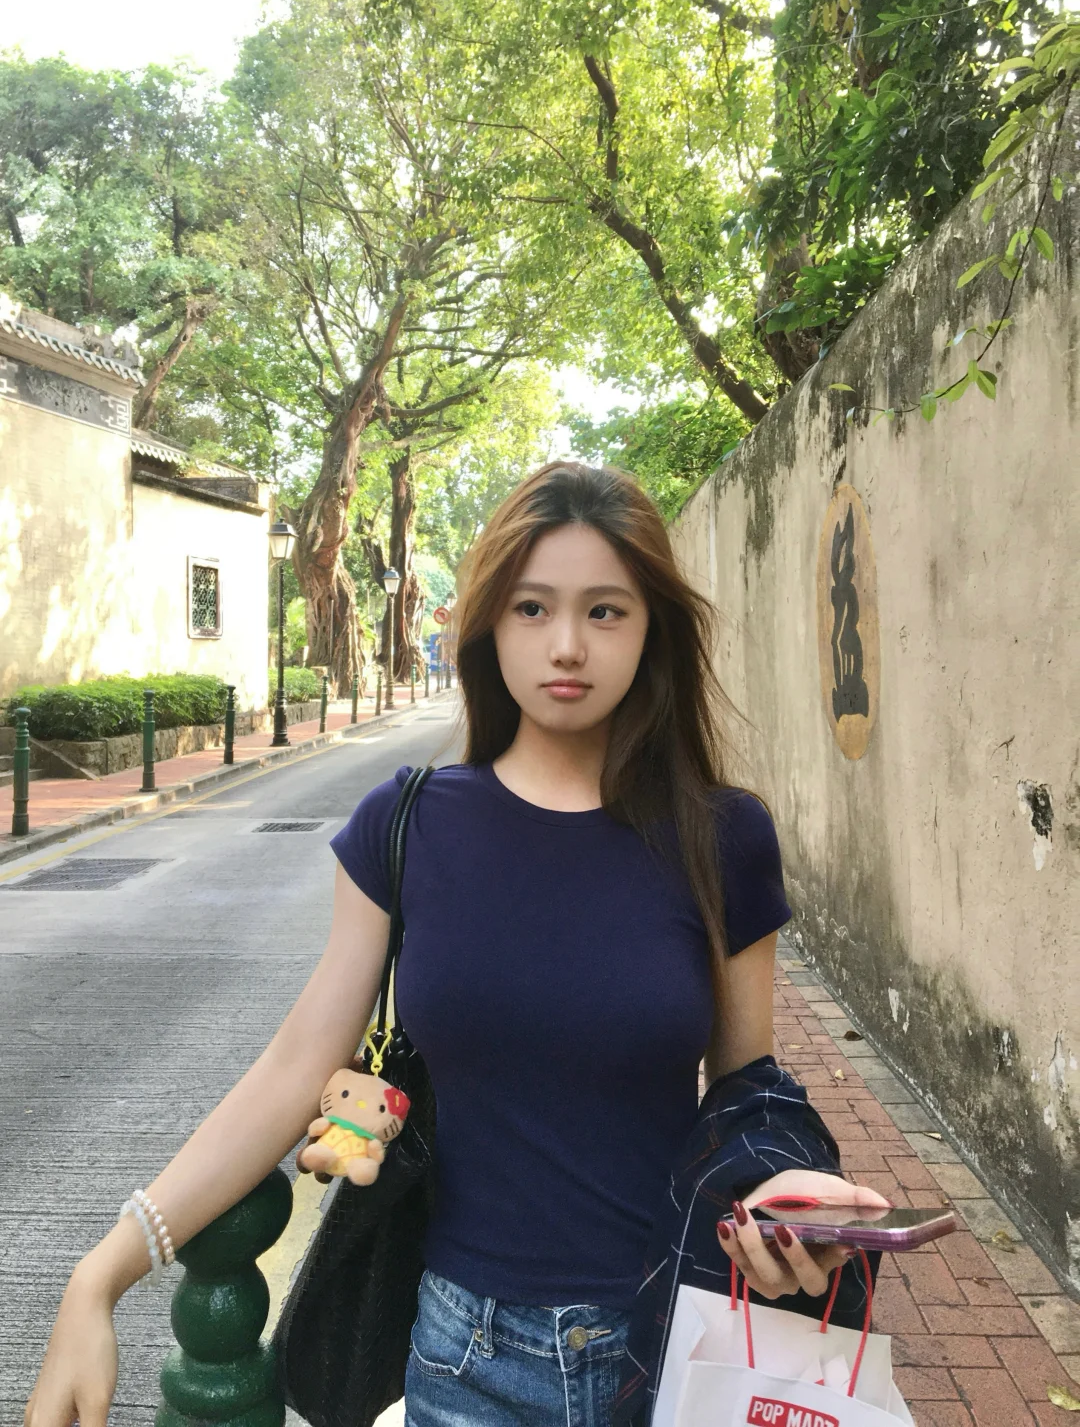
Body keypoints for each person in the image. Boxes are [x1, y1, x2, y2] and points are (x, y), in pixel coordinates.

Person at [25, 461, 887, 1427]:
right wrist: (104, 1272)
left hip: (669, 1347)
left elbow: (745, 1091)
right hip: (462, 1359)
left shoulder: (721, 837)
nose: (567, 644)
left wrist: (779, 1189)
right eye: (532, 607)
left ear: (652, 630)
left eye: (605, 611)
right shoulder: (407, 828)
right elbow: (295, 1065)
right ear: (489, 626)